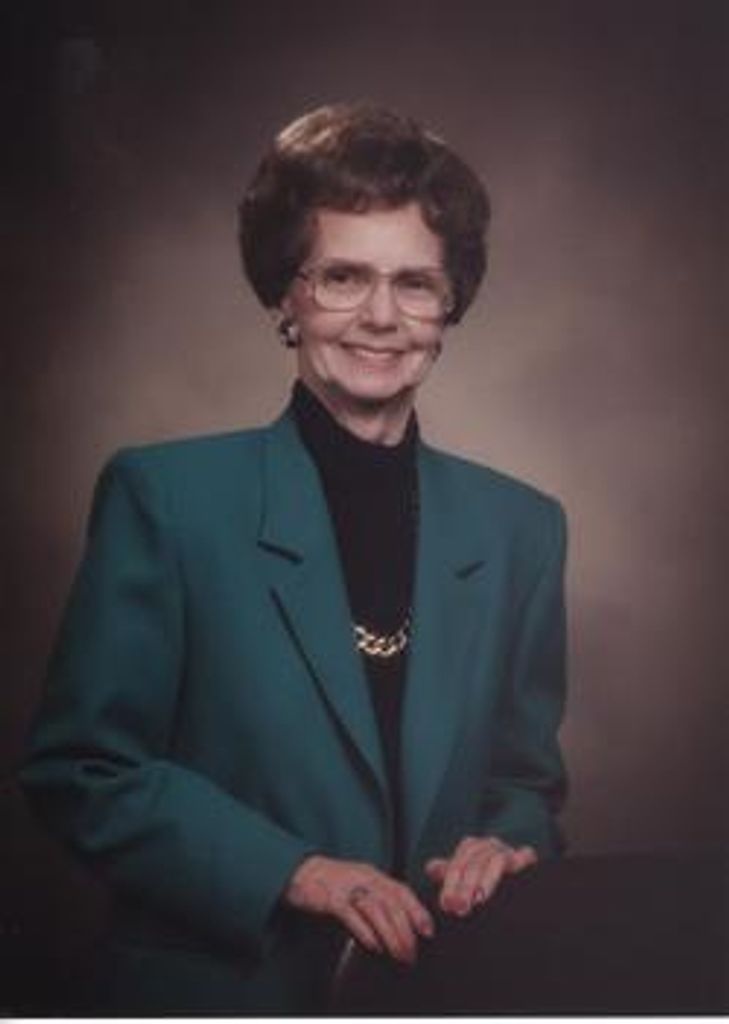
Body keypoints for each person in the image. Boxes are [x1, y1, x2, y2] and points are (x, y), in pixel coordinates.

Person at [20, 103, 568, 1015]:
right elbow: (82, 771)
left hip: (445, 993)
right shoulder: (168, 498)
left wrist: (505, 843)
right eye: (343, 277)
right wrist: (296, 873)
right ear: (285, 295)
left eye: (415, 284)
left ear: (449, 307)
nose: (381, 317)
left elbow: (523, 782)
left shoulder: (522, 527)